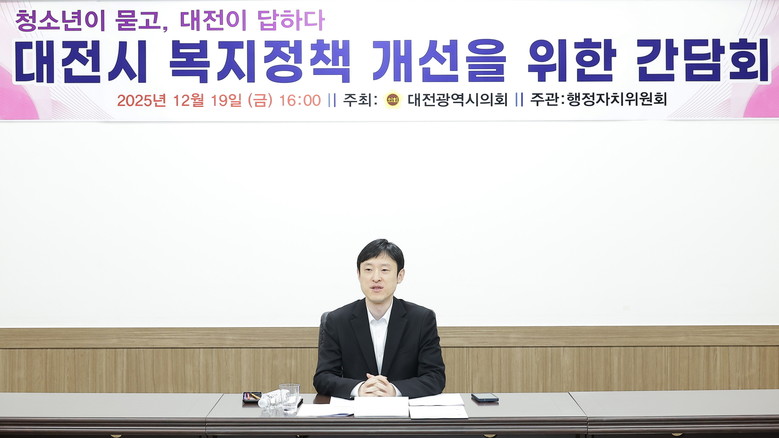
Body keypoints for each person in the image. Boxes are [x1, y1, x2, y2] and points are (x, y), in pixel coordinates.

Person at [313, 239, 446, 399]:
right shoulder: (337, 320)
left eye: (384, 270)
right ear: (358, 274)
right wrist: (359, 389)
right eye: (368, 269)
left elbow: (435, 377)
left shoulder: (422, 319)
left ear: (400, 275)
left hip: (404, 412)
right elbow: (323, 378)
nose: (376, 278)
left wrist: (394, 390)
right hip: (355, 412)